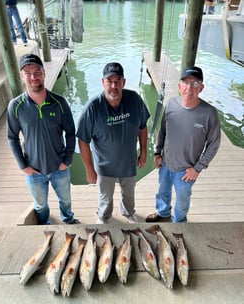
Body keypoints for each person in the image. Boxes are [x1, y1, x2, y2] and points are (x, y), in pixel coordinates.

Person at [7, 53, 78, 225]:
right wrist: (23, 165)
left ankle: (68, 219)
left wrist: (67, 160)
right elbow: (12, 137)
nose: (33, 77)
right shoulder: (16, 106)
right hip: (34, 170)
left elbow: (70, 132)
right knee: (40, 205)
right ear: (22, 76)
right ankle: (45, 225)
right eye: (28, 72)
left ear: (44, 73)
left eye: (37, 71)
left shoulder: (60, 102)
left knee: (66, 200)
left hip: (59, 167)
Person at [76, 62, 150, 224]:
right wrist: (89, 170)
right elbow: (83, 140)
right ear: (103, 82)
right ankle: (103, 216)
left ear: (123, 82)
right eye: (109, 81)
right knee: (105, 197)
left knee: (129, 194)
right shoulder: (92, 108)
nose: (114, 86)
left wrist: (143, 152)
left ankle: (129, 213)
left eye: (117, 81)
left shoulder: (135, 100)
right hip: (104, 166)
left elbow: (143, 127)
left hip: (128, 163)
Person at [146, 66, 221, 223]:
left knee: (183, 200)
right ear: (179, 86)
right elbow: (162, 131)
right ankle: (163, 213)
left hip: (187, 170)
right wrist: (157, 153)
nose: (189, 88)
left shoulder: (209, 113)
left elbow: (213, 144)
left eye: (195, 84)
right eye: (186, 83)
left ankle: (179, 222)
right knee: (162, 192)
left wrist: (198, 168)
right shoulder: (171, 104)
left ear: (201, 87)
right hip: (166, 164)